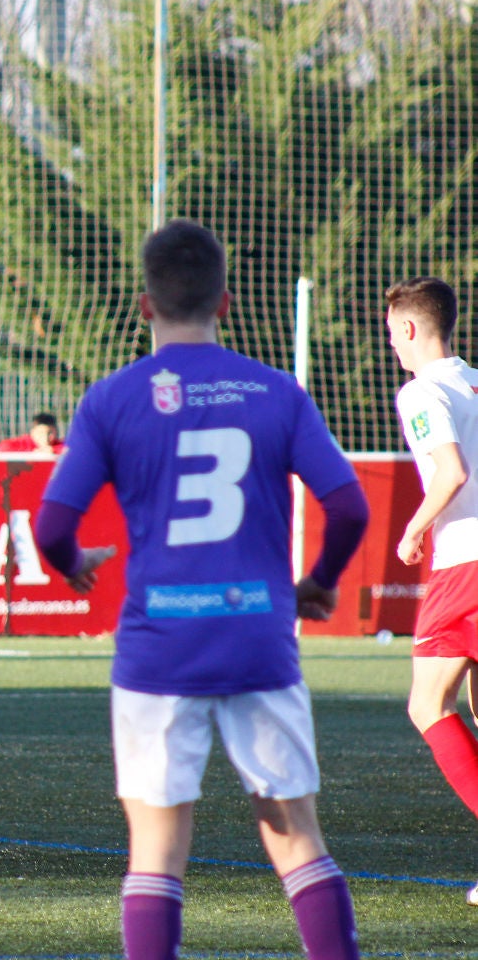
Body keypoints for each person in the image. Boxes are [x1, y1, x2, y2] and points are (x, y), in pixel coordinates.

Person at [34, 220, 367, 959]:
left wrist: (73, 562)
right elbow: (349, 506)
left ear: (145, 305)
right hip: (259, 640)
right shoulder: (277, 391)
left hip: (159, 651)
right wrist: (318, 583)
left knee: (156, 852)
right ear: (227, 301)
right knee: (296, 838)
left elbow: (52, 523)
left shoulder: (112, 398)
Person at [383, 275, 478, 907]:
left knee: (427, 705)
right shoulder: (473, 380)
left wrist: (414, 528)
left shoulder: (421, 392)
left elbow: (451, 471)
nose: (392, 343)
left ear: (411, 329)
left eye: (392, 332)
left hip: (465, 563)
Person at [0, 412, 65, 455]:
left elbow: (71, 451)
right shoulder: (25, 442)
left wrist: (53, 451)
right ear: (33, 432)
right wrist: (32, 454)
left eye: (50, 433)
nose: (45, 438)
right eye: (41, 433)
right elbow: (2, 447)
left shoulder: (59, 444)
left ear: (56, 431)